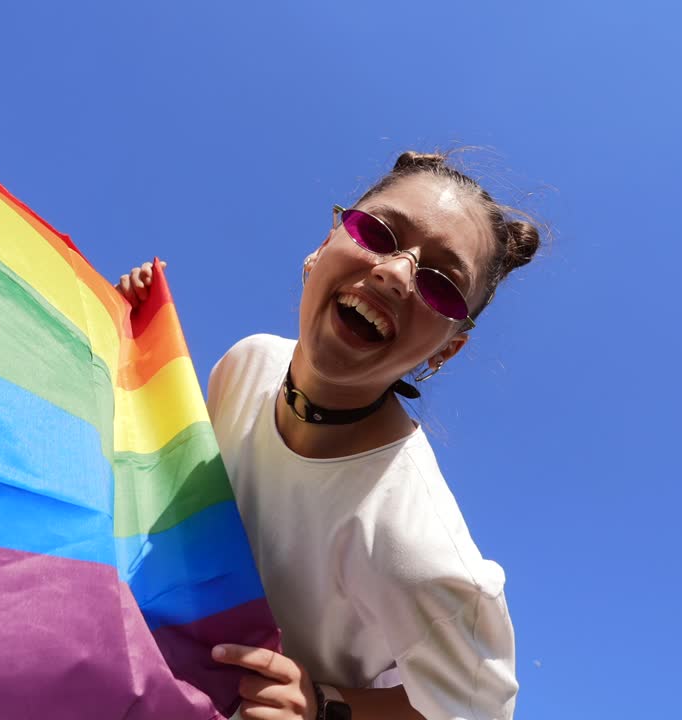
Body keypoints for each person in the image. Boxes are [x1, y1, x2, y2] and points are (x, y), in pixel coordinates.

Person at [116, 151, 540, 720]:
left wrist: (323, 706)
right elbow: (170, 488)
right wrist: (130, 334)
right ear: (323, 245)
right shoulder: (246, 365)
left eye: (442, 286)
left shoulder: (417, 545)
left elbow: (478, 711)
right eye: (376, 232)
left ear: (446, 349)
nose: (395, 272)